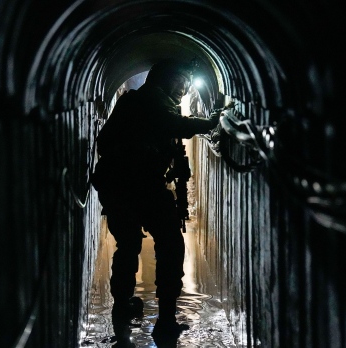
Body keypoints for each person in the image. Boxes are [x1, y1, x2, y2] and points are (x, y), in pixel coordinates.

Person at [91, 59, 220, 342]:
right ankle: (163, 316)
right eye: (183, 83)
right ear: (166, 80)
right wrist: (213, 122)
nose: (185, 91)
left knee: (130, 245)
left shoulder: (148, 102)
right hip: (133, 183)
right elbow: (173, 123)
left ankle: (127, 307)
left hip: (127, 184)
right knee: (166, 244)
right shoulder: (149, 99)